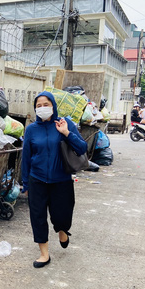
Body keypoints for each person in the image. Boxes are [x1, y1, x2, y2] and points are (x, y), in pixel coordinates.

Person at [21, 91, 88, 268]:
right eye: (39, 106)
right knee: (38, 217)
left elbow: (82, 148)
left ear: (53, 106)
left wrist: (66, 133)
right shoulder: (31, 130)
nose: (42, 108)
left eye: (46, 104)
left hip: (61, 180)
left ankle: (62, 231)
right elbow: (26, 157)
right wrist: (25, 183)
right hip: (37, 179)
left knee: (62, 215)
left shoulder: (64, 123)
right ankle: (44, 254)